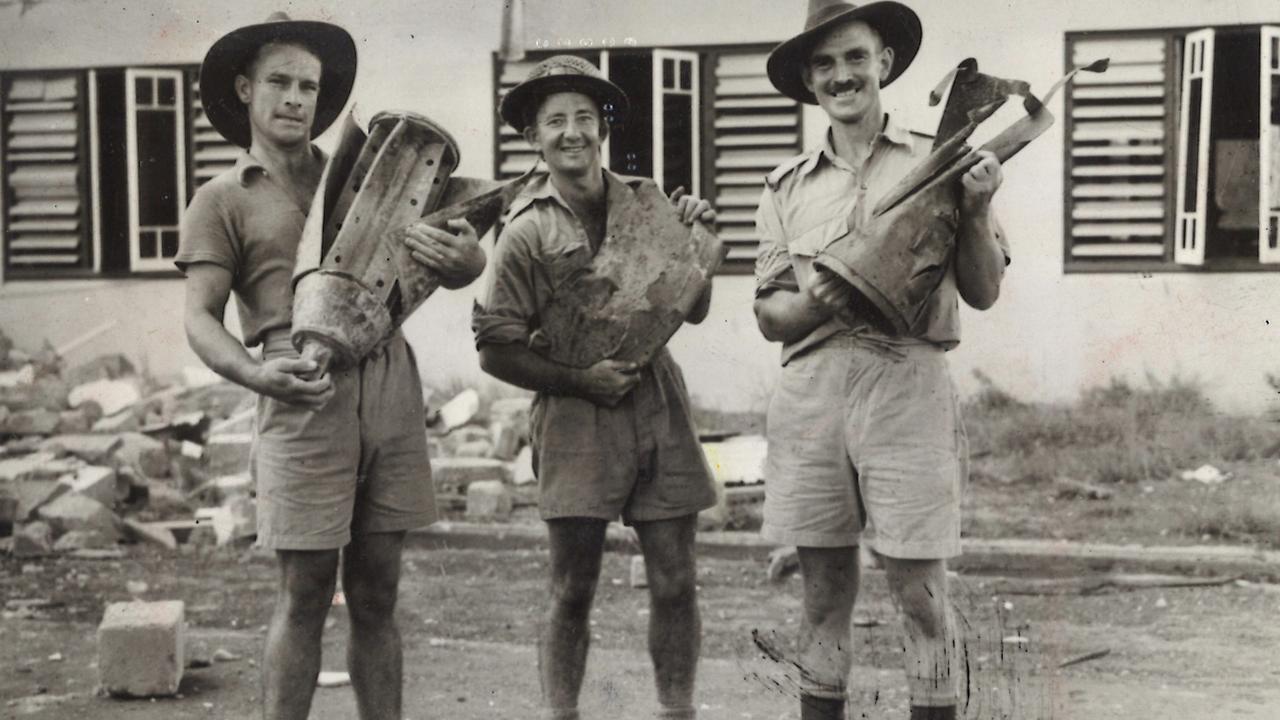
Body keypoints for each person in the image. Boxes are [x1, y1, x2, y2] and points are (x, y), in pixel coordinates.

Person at [175, 12, 485, 720]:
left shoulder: (369, 171)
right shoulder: (223, 199)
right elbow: (199, 318)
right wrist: (256, 375)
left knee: (378, 592)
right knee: (306, 592)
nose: (294, 98)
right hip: (297, 383)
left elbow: (439, 259)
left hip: (388, 377)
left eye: (308, 86)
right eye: (279, 82)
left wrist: (470, 262)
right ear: (245, 90)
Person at [752, 2, 1010, 719]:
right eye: (826, 64)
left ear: (885, 64)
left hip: (906, 379)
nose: (843, 76)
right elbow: (771, 315)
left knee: (922, 598)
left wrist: (980, 208)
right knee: (824, 599)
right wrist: (826, 300)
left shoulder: (943, 157)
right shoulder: (785, 186)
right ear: (809, 79)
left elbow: (984, 291)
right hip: (812, 392)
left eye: (856, 57)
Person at [472, 55, 719, 720]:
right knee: (573, 587)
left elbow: (689, 309)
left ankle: (678, 711)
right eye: (555, 120)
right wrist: (579, 379)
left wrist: (699, 244)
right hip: (575, 412)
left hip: (655, 396)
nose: (572, 131)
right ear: (534, 137)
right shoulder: (524, 231)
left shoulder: (646, 201)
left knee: (675, 581)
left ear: (603, 125)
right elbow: (495, 348)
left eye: (585, 116)